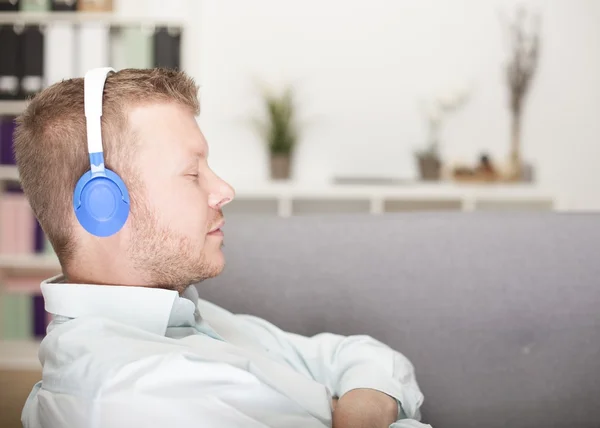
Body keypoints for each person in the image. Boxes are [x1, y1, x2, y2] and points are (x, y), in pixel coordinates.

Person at [15, 67, 431, 428]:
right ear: (103, 206)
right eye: (193, 173)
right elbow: (355, 365)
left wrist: (359, 408)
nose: (225, 190)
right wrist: (351, 399)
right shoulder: (144, 395)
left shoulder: (180, 310)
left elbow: (358, 353)